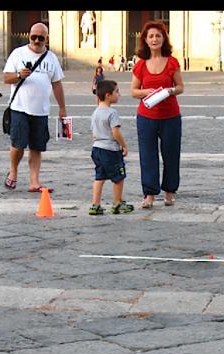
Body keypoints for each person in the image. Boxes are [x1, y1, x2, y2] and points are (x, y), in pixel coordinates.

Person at [2, 23, 67, 193]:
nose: (37, 41)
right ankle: (14, 171)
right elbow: (6, 78)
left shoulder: (51, 58)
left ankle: (34, 181)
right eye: (34, 37)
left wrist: (62, 108)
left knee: (37, 147)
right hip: (19, 108)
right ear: (29, 36)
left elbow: (57, 84)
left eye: (41, 38)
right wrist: (18, 75)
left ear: (47, 39)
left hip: (41, 110)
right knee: (18, 145)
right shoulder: (18, 54)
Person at [131, 21, 184, 208]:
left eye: (158, 36)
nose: (155, 39)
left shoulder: (172, 62)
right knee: (147, 155)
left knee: (171, 154)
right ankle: (149, 194)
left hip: (170, 116)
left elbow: (180, 87)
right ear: (145, 40)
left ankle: (170, 191)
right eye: (151, 36)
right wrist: (147, 92)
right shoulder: (140, 65)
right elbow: (134, 91)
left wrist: (169, 91)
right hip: (146, 117)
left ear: (164, 39)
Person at [89, 80, 133, 216]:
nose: (119, 94)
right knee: (119, 177)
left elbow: (93, 133)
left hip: (97, 149)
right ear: (108, 95)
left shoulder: (95, 112)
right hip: (110, 150)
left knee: (99, 177)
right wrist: (124, 145)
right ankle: (117, 203)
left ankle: (95, 205)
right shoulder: (112, 113)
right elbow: (115, 132)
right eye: (117, 92)